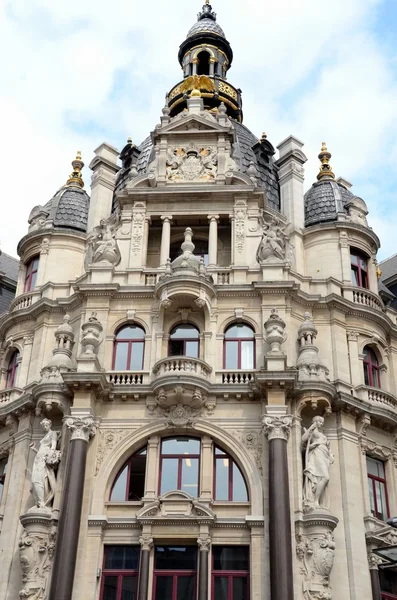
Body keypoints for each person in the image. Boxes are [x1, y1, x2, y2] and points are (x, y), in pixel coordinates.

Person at [302, 416, 334, 510]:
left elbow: (328, 447)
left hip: (324, 456)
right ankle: (315, 501)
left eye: (322, 422)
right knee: (325, 477)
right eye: (320, 421)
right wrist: (311, 429)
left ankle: (316, 490)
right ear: (315, 421)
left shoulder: (321, 434)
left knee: (323, 477)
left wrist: (331, 455)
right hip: (316, 454)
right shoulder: (312, 431)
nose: (321, 423)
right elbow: (303, 440)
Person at [30, 419, 60, 509]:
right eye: (43, 426)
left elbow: (53, 447)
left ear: (50, 425)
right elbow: (40, 450)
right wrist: (34, 448)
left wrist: (49, 457)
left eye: (46, 425)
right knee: (34, 480)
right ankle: (39, 502)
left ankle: (42, 502)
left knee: (40, 480)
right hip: (38, 459)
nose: (45, 427)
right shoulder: (45, 435)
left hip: (44, 459)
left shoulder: (53, 433)